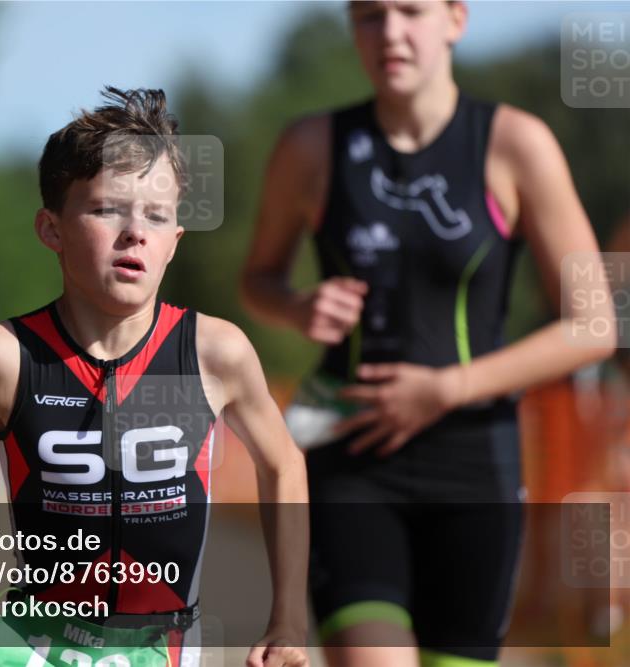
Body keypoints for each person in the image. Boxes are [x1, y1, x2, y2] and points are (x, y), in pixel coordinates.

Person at [240, 2, 615, 666]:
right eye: (367, 15)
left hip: (475, 466)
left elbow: (594, 324)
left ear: (455, 19)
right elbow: (258, 279)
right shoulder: (311, 145)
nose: (389, 33)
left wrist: (449, 387)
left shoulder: (514, 143)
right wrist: (297, 306)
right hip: (348, 456)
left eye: (410, 11)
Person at [0, 86, 311, 667]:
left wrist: (288, 619)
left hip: (164, 645)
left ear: (173, 245)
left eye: (157, 217)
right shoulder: (2, 357)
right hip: (30, 644)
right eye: (108, 208)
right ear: (51, 229)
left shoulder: (216, 352)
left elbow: (284, 463)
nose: (135, 231)